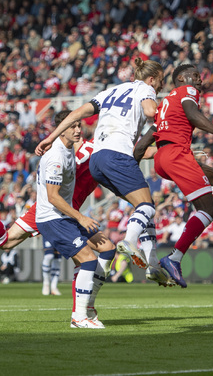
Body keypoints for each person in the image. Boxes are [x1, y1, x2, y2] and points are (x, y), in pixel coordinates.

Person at [36, 58, 164, 273]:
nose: (160, 87)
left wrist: (51, 137)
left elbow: (76, 114)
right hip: (117, 155)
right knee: (147, 206)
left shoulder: (111, 91)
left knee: (144, 206)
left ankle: (152, 264)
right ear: (151, 79)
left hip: (97, 160)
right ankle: (131, 242)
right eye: (160, 81)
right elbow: (152, 111)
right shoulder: (146, 89)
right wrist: (174, 116)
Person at [133, 64, 213, 288]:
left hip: (163, 158)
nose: (199, 81)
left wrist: (132, 168)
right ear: (182, 78)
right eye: (195, 77)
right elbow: (193, 114)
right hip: (177, 154)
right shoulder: (187, 92)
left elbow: (142, 145)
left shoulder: (164, 106)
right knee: (207, 209)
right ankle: (174, 258)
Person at [11, 122, 173, 288]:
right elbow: (144, 152)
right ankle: (84, 301)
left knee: (104, 250)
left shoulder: (91, 147)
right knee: (7, 242)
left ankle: (84, 304)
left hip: (66, 210)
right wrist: (175, 151)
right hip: (58, 210)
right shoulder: (108, 149)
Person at [35, 110, 117, 329]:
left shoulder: (69, 150)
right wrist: (80, 217)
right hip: (52, 217)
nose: (78, 130)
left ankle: (87, 307)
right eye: (73, 126)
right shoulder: (56, 156)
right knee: (88, 260)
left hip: (64, 215)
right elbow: (53, 197)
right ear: (62, 129)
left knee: (108, 248)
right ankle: (78, 317)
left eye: (79, 125)